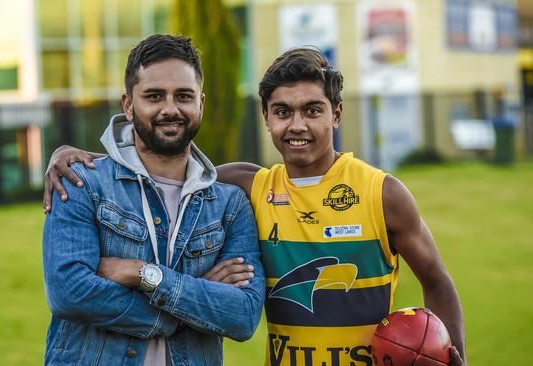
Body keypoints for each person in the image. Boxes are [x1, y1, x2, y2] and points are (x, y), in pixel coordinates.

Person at [44, 47, 466, 366]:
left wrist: (452, 353)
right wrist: (78, 157)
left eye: (312, 111)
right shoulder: (249, 185)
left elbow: (437, 280)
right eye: (282, 112)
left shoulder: (382, 192)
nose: (296, 125)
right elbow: (165, 158)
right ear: (265, 116)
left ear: (336, 115)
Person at [42, 34, 265, 366]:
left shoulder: (229, 205)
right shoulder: (80, 182)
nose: (170, 108)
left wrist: (144, 274)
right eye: (154, 96)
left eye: (184, 96)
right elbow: (70, 293)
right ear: (129, 105)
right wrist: (189, 302)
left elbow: (243, 316)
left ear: (200, 103)